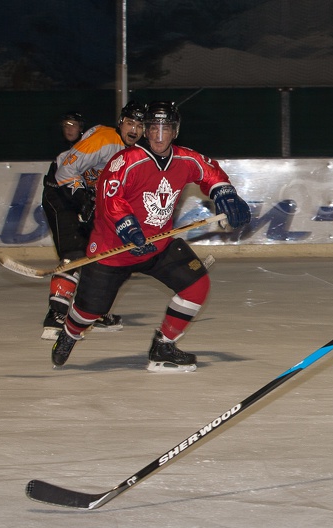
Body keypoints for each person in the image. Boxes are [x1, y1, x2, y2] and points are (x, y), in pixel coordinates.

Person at [50, 101, 251, 372]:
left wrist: (224, 192)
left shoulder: (185, 158)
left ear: (175, 131)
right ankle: (70, 334)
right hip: (114, 250)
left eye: (165, 128)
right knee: (89, 312)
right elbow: (109, 198)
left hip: (159, 245)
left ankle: (163, 347)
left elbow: (209, 171)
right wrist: (127, 227)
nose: (159, 135)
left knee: (197, 286)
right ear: (145, 130)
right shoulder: (126, 161)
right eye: (153, 127)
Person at [40, 103, 147, 339]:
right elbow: (64, 172)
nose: (134, 130)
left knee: (99, 254)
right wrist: (82, 200)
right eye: (130, 123)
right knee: (76, 252)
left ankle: (90, 311)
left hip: (84, 195)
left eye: (140, 125)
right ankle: (56, 315)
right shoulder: (106, 139)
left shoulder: (135, 153)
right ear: (121, 122)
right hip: (58, 193)